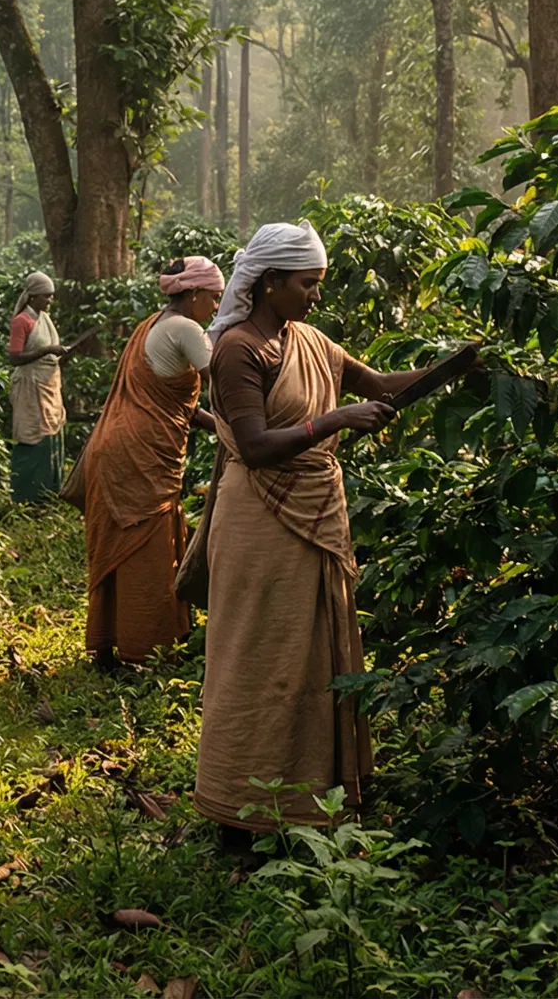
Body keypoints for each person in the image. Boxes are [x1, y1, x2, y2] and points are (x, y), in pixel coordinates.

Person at [193, 221, 442, 844]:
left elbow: (380, 386)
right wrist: (334, 420)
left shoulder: (308, 339)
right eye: (308, 284)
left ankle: (307, 800)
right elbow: (252, 447)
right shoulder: (238, 350)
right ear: (270, 283)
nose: (316, 296)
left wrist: (456, 367)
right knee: (256, 657)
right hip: (258, 518)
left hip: (312, 507)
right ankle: (237, 810)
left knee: (308, 656)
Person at [78, 255, 225, 665]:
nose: (215, 306)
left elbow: (180, 406)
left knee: (121, 543)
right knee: (148, 547)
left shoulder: (153, 324)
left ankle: (110, 642)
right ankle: (145, 649)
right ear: (193, 293)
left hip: (115, 448)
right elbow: (226, 384)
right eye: (213, 298)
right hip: (139, 453)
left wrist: (221, 429)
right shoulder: (186, 329)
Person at [7, 270, 83, 504]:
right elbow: (15, 357)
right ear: (33, 297)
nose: (50, 300)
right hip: (30, 388)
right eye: (46, 296)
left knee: (51, 434)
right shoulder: (22, 321)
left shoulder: (45, 319)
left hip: (47, 385)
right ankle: (26, 496)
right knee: (32, 437)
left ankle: (49, 492)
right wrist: (47, 351)